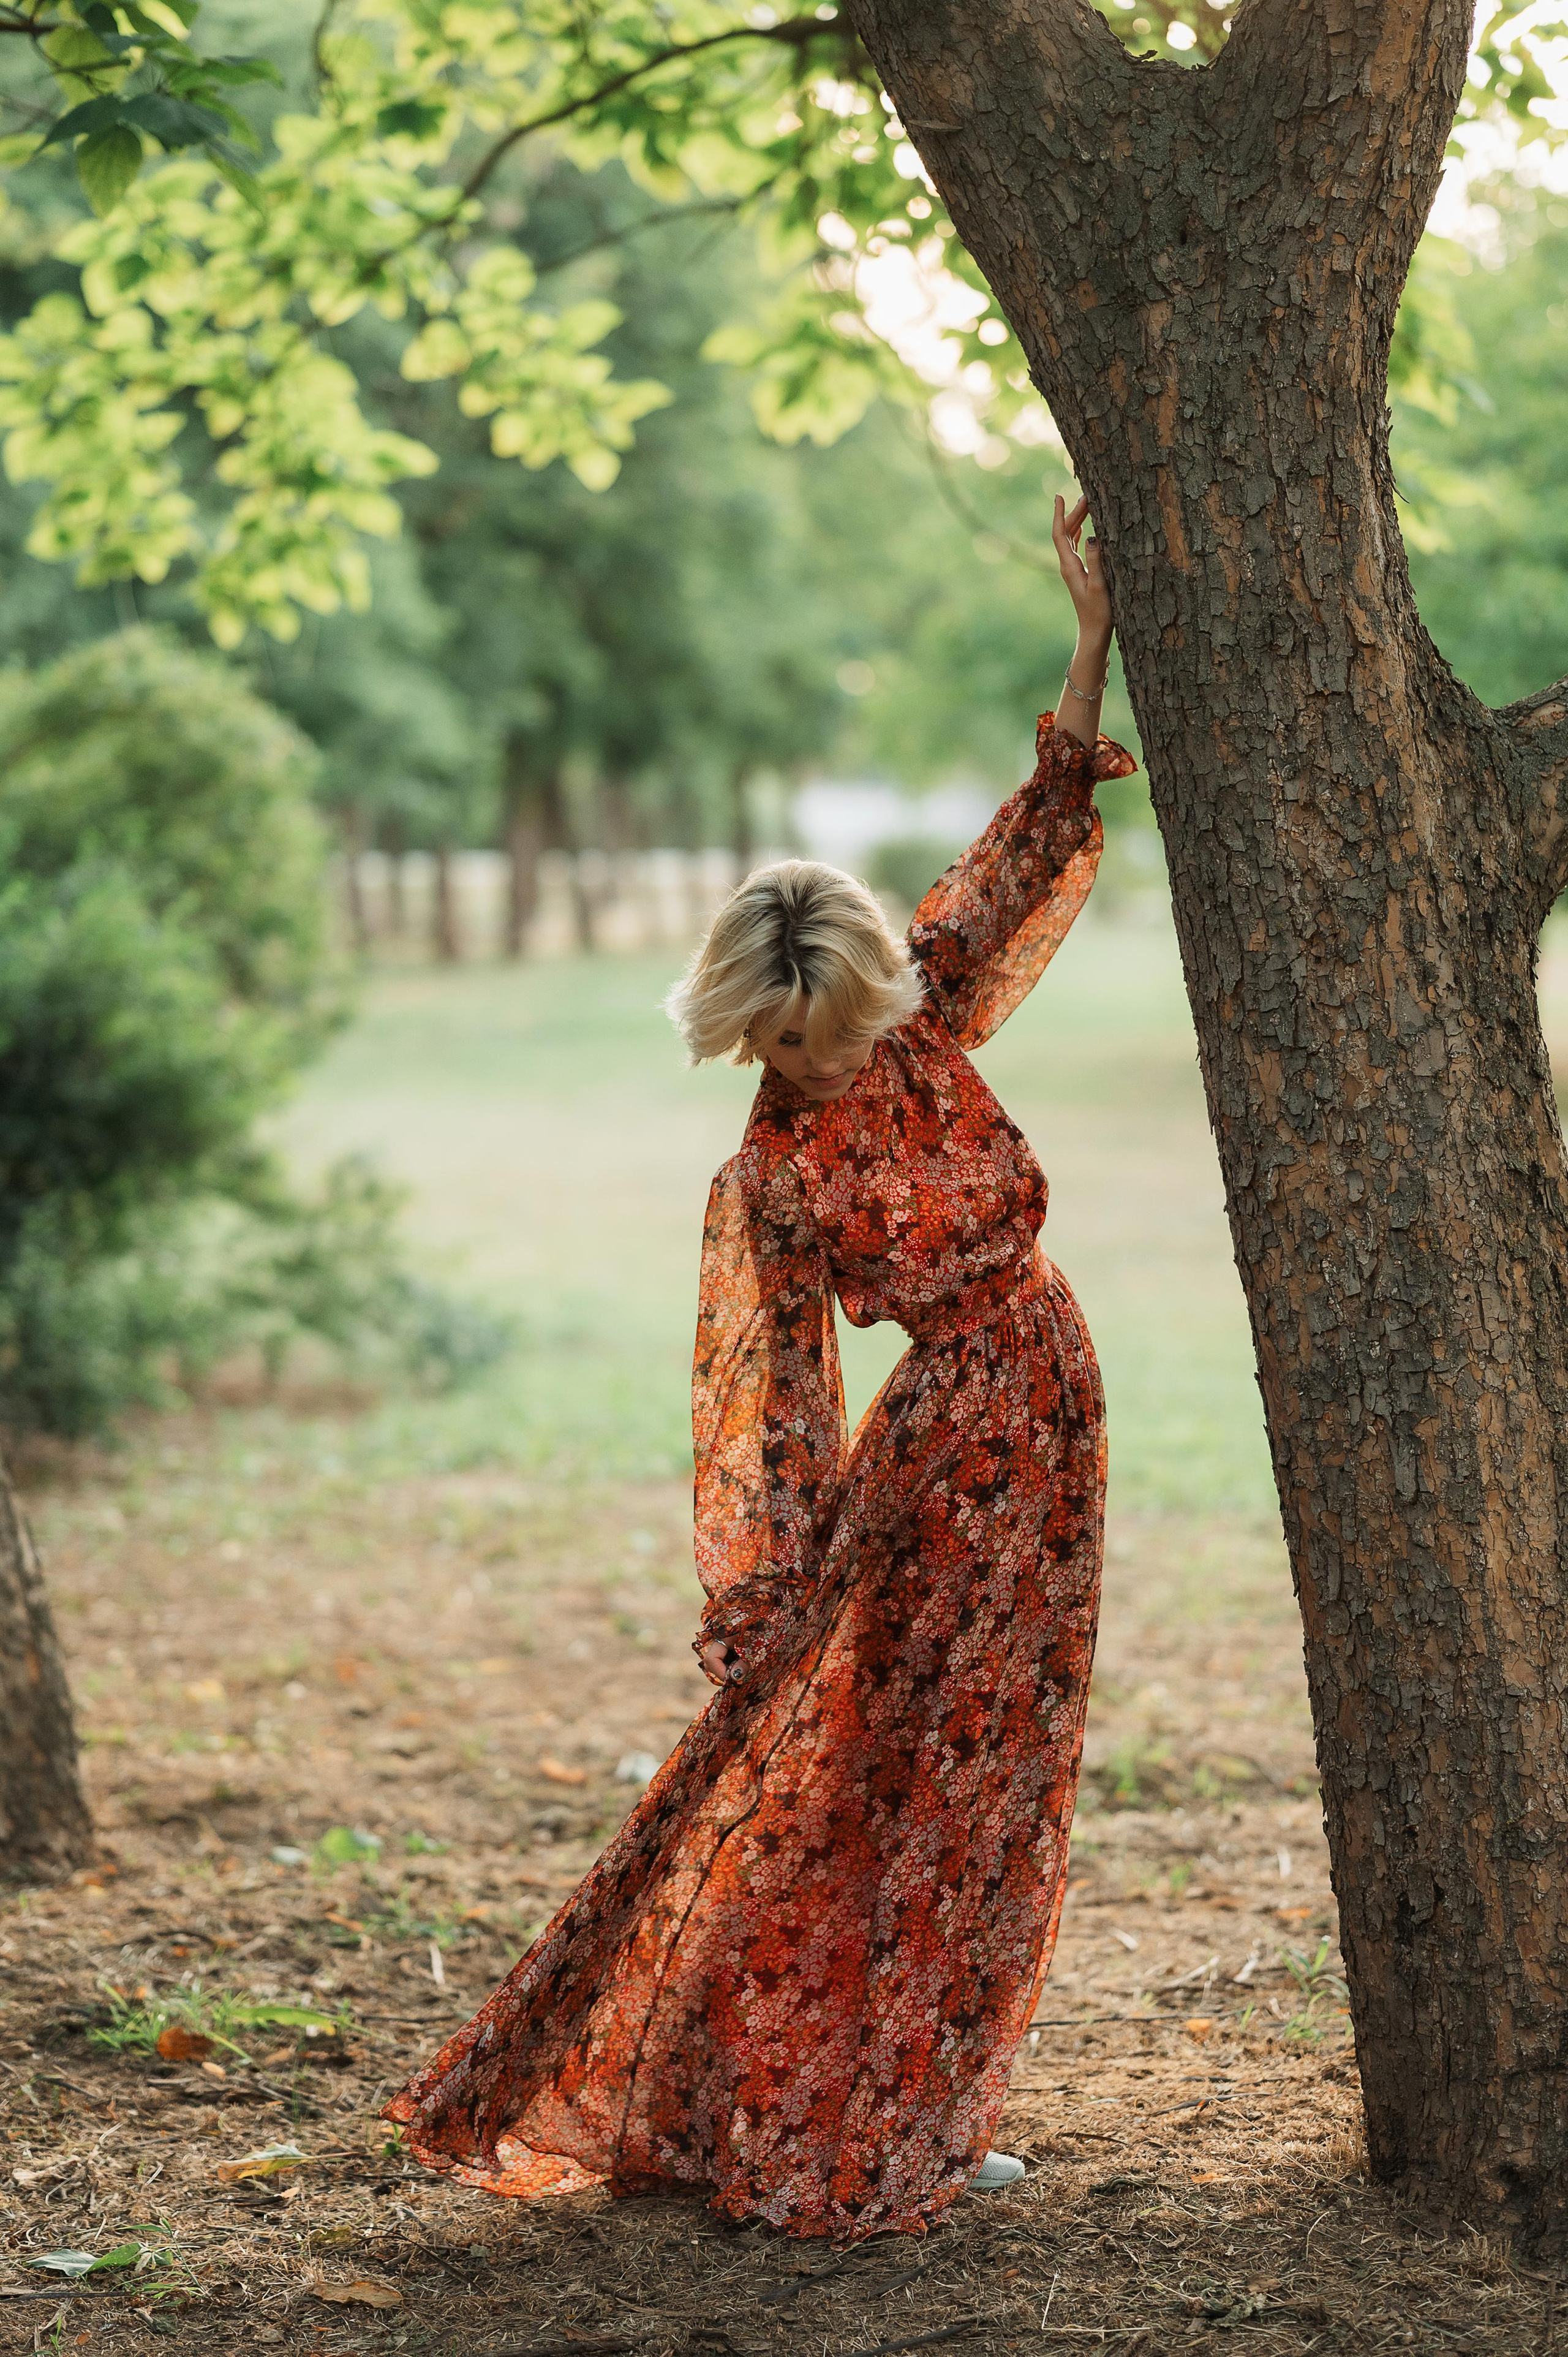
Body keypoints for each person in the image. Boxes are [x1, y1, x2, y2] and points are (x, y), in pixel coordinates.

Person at [382, 493, 1140, 2242]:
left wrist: (1087, 631)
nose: (804, 1069)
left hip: (1057, 1402)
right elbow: (764, 1401)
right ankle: (823, 2098)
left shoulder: (928, 1009)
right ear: (735, 1025)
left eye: (822, 1033)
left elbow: (1033, 837)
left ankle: (927, 2098)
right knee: (901, 1771)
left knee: (1004, 1772)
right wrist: (770, 1600)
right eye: (773, 1044)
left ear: (869, 989)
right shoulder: (772, 1181)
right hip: (945, 1450)